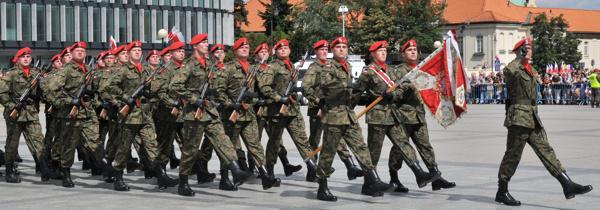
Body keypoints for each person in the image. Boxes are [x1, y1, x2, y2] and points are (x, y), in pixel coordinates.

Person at [495, 38, 593, 206]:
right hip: (518, 118)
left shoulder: (530, 69)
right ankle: (502, 191)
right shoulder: (514, 68)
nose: (531, 51)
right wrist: (519, 58)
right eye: (528, 48)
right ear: (521, 50)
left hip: (532, 117)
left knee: (546, 150)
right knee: (512, 155)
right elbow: (508, 72)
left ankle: (567, 184)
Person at [169, 34, 251, 196]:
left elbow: (216, 85)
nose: (206, 45)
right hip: (194, 114)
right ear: (195, 46)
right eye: (203, 43)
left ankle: (235, 170)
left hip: (210, 111)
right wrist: (194, 99)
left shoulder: (210, 64)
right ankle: (183, 182)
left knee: (224, 140)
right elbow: (174, 85)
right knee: (191, 150)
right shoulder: (189, 65)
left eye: (207, 42)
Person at [314, 37, 392, 201]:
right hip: (334, 116)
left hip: (347, 114)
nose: (342, 49)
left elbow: (351, 92)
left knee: (361, 147)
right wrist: (349, 86)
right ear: (333, 50)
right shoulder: (328, 66)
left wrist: (357, 93)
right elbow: (325, 86)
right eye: (338, 47)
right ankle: (322, 187)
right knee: (328, 154)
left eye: (344, 47)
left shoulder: (347, 66)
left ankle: (373, 179)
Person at [357, 40, 441, 193]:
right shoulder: (368, 72)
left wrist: (392, 95)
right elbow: (356, 92)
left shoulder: (391, 70)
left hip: (393, 115)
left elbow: (398, 89)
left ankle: (419, 173)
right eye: (380, 51)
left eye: (385, 50)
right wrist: (354, 105)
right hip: (377, 116)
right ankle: (368, 183)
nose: (383, 53)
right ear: (373, 54)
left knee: (403, 144)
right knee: (374, 151)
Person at [387, 39, 456, 192]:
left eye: (415, 49)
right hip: (403, 116)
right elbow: (395, 92)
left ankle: (435, 177)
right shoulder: (397, 70)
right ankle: (394, 178)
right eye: (409, 50)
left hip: (419, 115)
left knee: (426, 147)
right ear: (403, 54)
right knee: (400, 149)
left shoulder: (424, 69)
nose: (413, 52)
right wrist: (407, 85)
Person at [214, 37, 279, 190]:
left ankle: (264, 176)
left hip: (248, 114)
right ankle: (224, 179)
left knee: (255, 145)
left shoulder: (252, 68)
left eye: (247, 47)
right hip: (232, 115)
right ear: (235, 51)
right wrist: (231, 103)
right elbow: (219, 91)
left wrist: (256, 99)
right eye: (242, 48)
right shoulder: (229, 68)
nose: (245, 49)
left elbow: (259, 89)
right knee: (229, 148)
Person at [256, 39, 317, 182]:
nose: (283, 50)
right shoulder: (272, 67)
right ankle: (270, 171)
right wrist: (278, 98)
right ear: (276, 52)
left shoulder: (292, 67)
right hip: (277, 111)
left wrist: (294, 95)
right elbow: (264, 87)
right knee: (274, 142)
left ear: (289, 50)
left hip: (292, 110)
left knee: (302, 140)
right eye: (280, 49)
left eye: (286, 48)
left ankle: (312, 166)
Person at [302, 39, 363, 181]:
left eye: (325, 49)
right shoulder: (314, 67)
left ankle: (350, 166)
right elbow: (306, 87)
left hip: (333, 110)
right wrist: (317, 102)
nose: (324, 52)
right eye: (320, 50)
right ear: (316, 52)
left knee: (337, 138)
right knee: (315, 140)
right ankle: (313, 169)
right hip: (318, 110)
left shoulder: (336, 65)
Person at [0, 47, 55, 183]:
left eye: (28, 57)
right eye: (23, 57)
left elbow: (42, 92)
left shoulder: (35, 74)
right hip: (15, 114)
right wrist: (13, 106)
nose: (26, 59)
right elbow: (2, 93)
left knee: (38, 141)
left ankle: (43, 169)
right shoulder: (11, 74)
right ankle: (9, 171)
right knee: (12, 144)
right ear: (17, 59)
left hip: (30, 113)